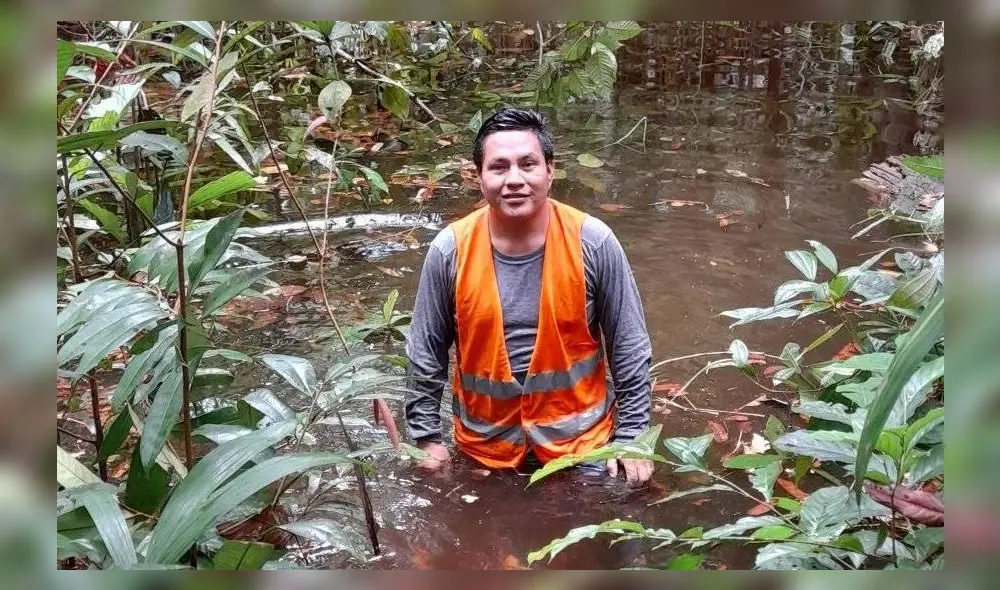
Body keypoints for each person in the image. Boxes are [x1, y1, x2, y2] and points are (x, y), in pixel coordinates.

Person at [403, 106, 655, 484]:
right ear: (479, 177)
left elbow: (629, 347)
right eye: (499, 167)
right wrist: (426, 439)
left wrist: (633, 437)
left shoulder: (594, 242)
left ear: (549, 171)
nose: (514, 179)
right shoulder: (449, 251)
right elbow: (426, 352)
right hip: (485, 448)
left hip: (583, 448)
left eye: (528, 164)